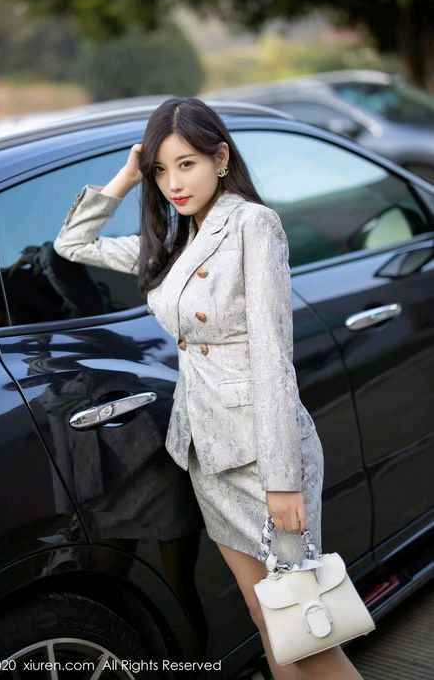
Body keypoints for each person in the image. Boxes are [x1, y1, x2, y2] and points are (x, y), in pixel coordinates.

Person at [53, 97, 363, 680]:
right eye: (161, 170)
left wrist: (282, 481)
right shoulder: (172, 242)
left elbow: (272, 357)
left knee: (308, 633)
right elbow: (73, 244)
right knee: (266, 617)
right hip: (208, 454)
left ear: (221, 159)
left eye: (187, 164)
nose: (173, 183)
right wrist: (127, 175)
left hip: (264, 459)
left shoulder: (251, 225)